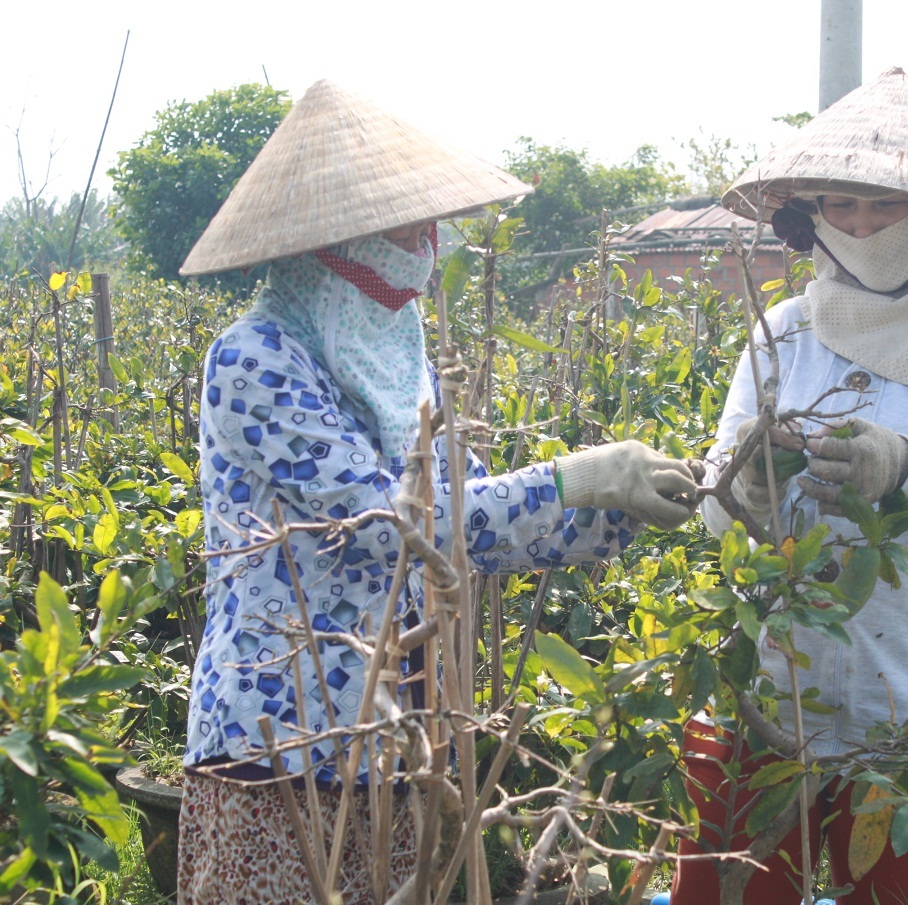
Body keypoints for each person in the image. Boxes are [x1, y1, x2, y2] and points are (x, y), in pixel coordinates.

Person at [176, 80, 698, 905]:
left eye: (422, 227)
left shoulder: (401, 362)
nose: (419, 250)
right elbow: (387, 525)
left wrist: (612, 506)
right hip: (281, 733)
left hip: (398, 729)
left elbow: (462, 517)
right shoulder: (256, 360)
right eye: (395, 232)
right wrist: (572, 478)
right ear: (328, 243)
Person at [670, 68, 908, 905]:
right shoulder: (786, 333)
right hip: (770, 691)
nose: (859, 224)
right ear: (809, 216)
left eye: (884, 205)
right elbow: (712, 511)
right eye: (839, 206)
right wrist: (747, 487)